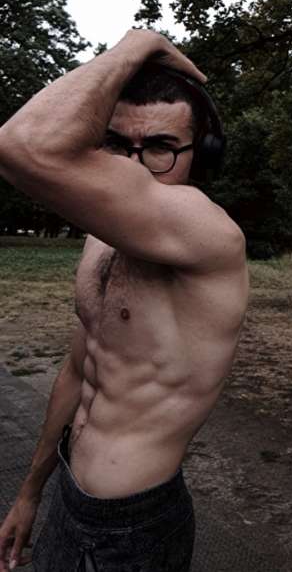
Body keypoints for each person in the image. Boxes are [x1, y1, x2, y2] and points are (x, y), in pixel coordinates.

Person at [0, 29, 248, 572]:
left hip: (129, 528)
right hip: (68, 493)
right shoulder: (103, 236)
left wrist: (135, 46)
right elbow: (80, 368)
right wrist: (30, 492)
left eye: (160, 147)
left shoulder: (207, 233)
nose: (133, 167)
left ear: (201, 154)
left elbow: (19, 145)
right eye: (117, 145)